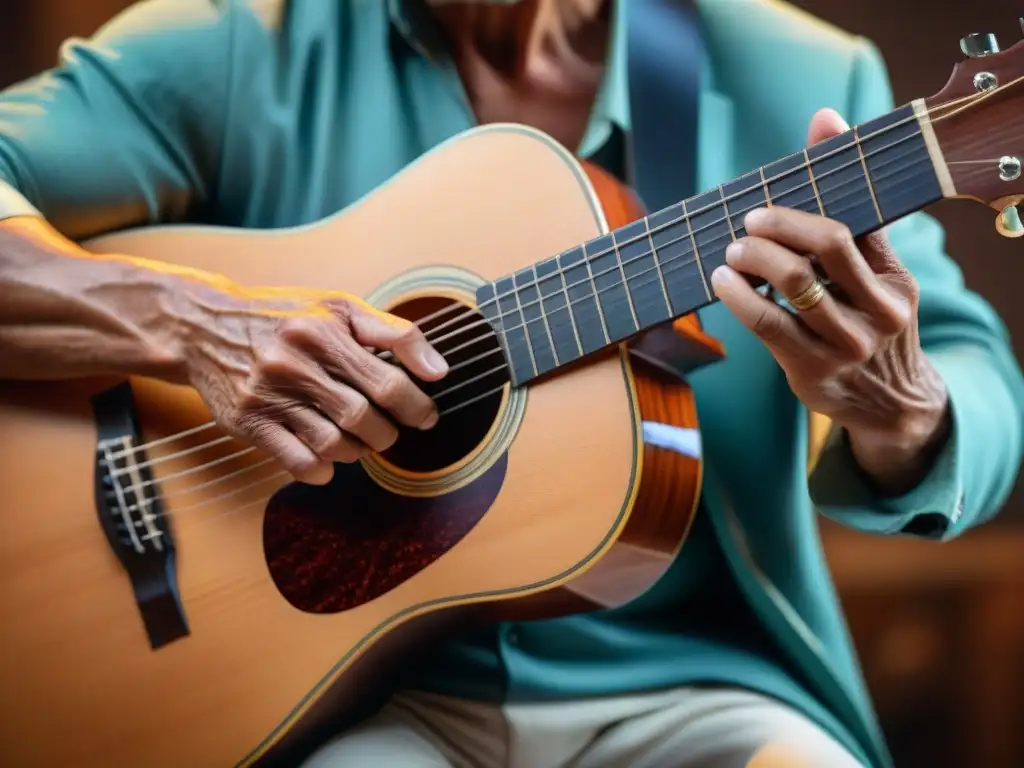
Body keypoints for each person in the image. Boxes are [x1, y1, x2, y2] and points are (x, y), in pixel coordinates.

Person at [0, 0, 1021, 766]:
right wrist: (185, 322)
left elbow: (978, 383)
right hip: (356, 705)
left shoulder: (796, 72)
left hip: (698, 688)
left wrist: (906, 408)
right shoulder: (237, 44)